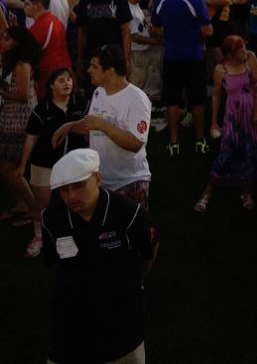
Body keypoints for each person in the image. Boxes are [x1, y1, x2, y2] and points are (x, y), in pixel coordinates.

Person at [41, 148, 159, 364]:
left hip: (121, 320)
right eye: (64, 190)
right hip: (71, 321)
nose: (71, 196)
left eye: (78, 186)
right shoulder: (51, 218)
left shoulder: (128, 213)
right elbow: (53, 261)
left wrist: (136, 279)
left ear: (97, 178)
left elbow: (149, 250)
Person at [53, 44, 152, 206]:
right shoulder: (99, 92)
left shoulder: (137, 100)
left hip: (129, 182)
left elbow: (136, 143)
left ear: (111, 70)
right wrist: (69, 126)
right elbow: (93, 124)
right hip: (101, 183)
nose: (88, 70)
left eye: (95, 66)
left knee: (132, 230)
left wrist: (104, 125)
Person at [19, 66, 86, 259]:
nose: (67, 83)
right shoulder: (43, 108)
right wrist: (22, 166)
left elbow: (91, 128)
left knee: (75, 200)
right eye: (61, 80)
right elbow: (31, 137)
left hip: (74, 161)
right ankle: (39, 236)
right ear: (51, 86)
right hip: (44, 161)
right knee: (42, 203)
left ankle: (71, 236)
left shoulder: (81, 103)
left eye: (69, 79)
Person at [194, 36, 257, 213]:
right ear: (230, 54)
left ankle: (248, 192)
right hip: (233, 115)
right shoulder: (221, 70)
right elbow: (216, 95)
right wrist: (214, 123)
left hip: (251, 113)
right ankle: (208, 192)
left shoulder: (250, 59)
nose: (244, 52)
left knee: (252, 152)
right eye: (240, 49)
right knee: (226, 152)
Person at [150, 0, 213, 155]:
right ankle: (200, 140)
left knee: (172, 99)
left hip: (171, 55)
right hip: (193, 56)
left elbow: (155, 27)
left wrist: (170, 36)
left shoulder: (161, 0)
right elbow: (208, 31)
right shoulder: (196, 1)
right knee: (197, 99)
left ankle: (173, 143)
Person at [0, 27, 39, 224]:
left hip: (20, 120)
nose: (2, 41)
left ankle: (34, 209)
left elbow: (23, 96)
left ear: (17, 42)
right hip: (10, 118)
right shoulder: (13, 62)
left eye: (7, 38)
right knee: (6, 167)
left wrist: (2, 92)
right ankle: (21, 204)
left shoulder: (22, 64)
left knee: (13, 169)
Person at [75, 0, 131, 75]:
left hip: (113, 56)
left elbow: (125, 31)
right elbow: (82, 32)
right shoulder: (85, 0)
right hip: (92, 57)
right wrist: (80, 60)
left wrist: (126, 58)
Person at [24, 0, 71, 99]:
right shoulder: (54, 21)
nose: (24, 7)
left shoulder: (40, 26)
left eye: (27, 4)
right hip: (62, 72)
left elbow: (26, 54)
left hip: (49, 76)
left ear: (38, 6)